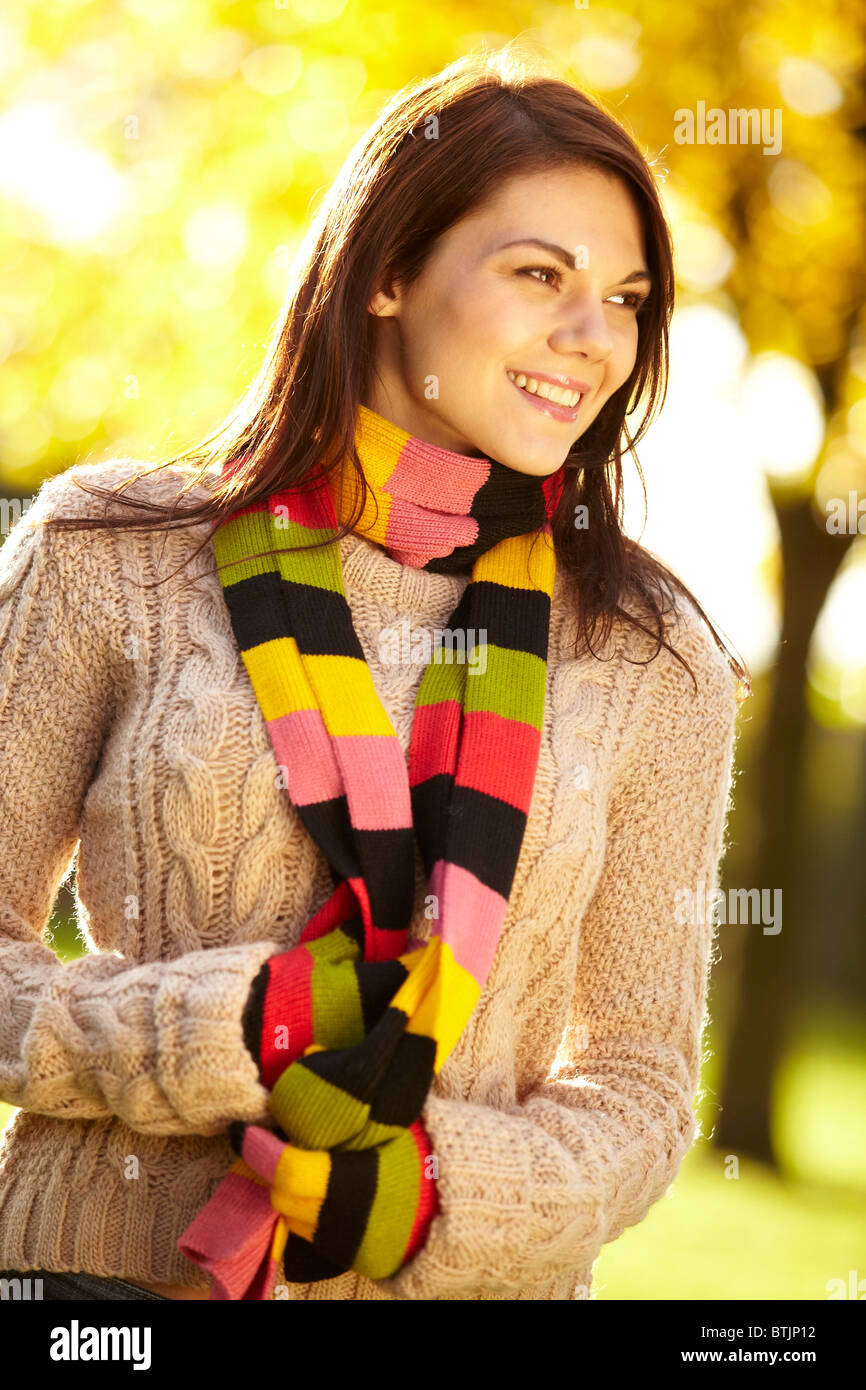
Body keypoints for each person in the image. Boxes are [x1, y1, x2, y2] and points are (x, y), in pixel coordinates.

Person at [0, 46, 749, 1302]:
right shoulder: (106, 553)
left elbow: (638, 1081)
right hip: (95, 1288)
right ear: (389, 272)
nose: (592, 339)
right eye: (538, 275)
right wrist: (219, 1033)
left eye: (624, 298)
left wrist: (437, 1196)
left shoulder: (652, 650)